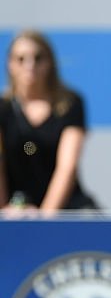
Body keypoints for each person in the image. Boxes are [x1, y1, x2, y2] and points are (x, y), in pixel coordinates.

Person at [0, 30, 99, 213]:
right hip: (16, 207)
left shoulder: (70, 104)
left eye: (38, 58)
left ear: (50, 63)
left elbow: (67, 167)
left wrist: (45, 218)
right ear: (10, 65)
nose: (30, 65)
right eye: (21, 59)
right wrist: (4, 213)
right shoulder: (3, 108)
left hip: (67, 208)